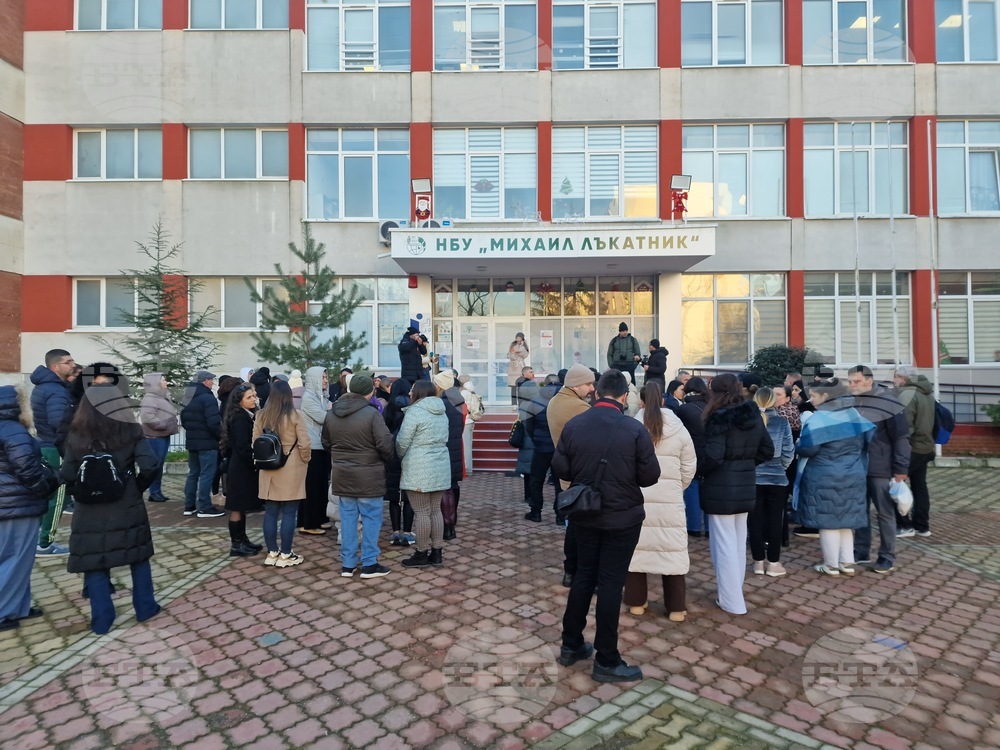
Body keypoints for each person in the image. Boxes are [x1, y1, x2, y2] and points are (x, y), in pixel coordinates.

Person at [552, 369, 659, 683]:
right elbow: (649, 476)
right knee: (611, 584)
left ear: (596, 392)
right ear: (624, 396)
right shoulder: (633, 430)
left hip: (585, 513)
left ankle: (571, 645)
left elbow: (560, 467)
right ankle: (607, 659)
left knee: (584, 575)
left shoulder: (575, 424)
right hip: (622, 518)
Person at [61, 378, 162, 634]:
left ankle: (102, 619)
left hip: (89, 507)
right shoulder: (130, 431)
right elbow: (150, 465)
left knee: (94, 561)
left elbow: (68, 473)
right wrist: (136, 486)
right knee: (137, 555)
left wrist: (81, 492)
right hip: (125, 501)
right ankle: (145, 607)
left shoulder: (76, 434)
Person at [700, 373, 774, 615]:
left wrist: (699, 470)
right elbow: (767, 449)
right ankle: (733, 595)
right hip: (744, 486)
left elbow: (713, 456)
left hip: (720, 487)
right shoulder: (753, 414)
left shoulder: (718, 418)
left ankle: (732, 600)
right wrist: (745, 465)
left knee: (723, 546)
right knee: (737, 543)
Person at [624, 382, 696, 622]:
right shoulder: (679, 429)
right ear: (663, 401)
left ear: (641, 402)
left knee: (636, 550)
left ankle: (636, 602)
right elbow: (689, 466)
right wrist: (676, 487)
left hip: (637, 497)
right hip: (670, 499)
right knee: (672, 551)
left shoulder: (632, 426)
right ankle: (676, 607)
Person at [795, 377, 875, 576]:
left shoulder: (820, 418)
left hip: (824, 475)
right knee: (846, 520)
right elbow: (869, 441)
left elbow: (809, 449)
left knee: (827, 521)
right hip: (854, 473)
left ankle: (830, 565)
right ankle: (847, 562)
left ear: (825, 396)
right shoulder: (854, 414)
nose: (811, 400)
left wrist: (798, 445)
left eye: (813, 396)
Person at [324, 374, 395, 579]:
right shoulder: (372, 415)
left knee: (347, 519)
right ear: (369, 392)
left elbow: (327, 443)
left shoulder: (332, 414)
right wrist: (385, 461)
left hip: (343, 474)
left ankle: (348, 563)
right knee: (371, 518)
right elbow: (385, 444)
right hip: (369, 475)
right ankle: (370, 563)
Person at [0, 385, 59, 632]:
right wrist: (45, 486)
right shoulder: (14, 430)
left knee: (15, 558)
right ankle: (3, 612)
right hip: (17, 503)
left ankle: (18, 607)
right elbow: (27, 468)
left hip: (8, 502)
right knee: (16, 558)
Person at [847, 365, 910, 573]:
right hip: (858, 465)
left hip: (881, 467)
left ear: (869, 380)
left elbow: (900, 437)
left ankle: (886, 556)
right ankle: (861, 551)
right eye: (850, 381)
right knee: (859, 511)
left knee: (885, 513)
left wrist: (901, 468)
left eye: (856, 381)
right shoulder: (853, 402)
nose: (852, 385)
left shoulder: (888, 402)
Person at [546, 364, 596, 587]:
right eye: (589, 384)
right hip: (582, 475)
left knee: (573, 526)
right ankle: (583, 575)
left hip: (565, 472)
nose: (592, 389)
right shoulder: (580, 408)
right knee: (585, 531)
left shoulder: (555, 401)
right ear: (576, 386)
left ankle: (570, 571)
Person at [254, 381, 312, 568]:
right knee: (289, 511)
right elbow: (304, 443)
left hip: (268, 467)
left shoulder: (261, 415)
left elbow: (254, 442)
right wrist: (305, 460)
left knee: (270, 512)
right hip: (292, 466)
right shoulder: (295, 415)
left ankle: (272, 553)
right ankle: (286, 554)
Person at [398, 380, 451, 568]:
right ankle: (437, 552)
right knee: (435, 510)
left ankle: (421, 553)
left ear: (418, 392)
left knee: (421, 512)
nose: (410, 392)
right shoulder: (442, 411)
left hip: (419, 466)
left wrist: (399, 456)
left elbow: (403, 441)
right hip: (440, 464)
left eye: (412, 389)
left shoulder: (415, 412)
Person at [31, 348, 76, 556]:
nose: (73, 365)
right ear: (55, 366)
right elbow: (58, 422)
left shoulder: (46, 386)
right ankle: (45, 542)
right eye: (68, 362)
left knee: (46, 495)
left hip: (46, 445)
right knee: (58, 496)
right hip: (55, 447)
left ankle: (36, 539)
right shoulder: (55, 390)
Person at [749, 387, 795, 577]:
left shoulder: (749, 422)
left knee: (755, 520)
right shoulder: (782, 422)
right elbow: (788, 451)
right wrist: (780, 468)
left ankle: (758, 561)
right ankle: (774, 562)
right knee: (776, 520)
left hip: (753, 477)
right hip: (777, 478)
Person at [219, 382, 264, 557]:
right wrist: (254, 463)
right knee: (237, 507)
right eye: (249, 397)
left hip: (241, 466)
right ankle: (236, 544)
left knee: (242, 506)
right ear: (239, 400)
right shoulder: (240, 418)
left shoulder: (247, 415)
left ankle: (243, 539)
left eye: (254, 396)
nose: (254, 399)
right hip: (240, 468)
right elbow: (243, 446)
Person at [893, 365, 935, 537]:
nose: (893, 381)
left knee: (894, 484)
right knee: (919, 486)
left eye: (895, 377)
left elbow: (904, 426)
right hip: (925, 446)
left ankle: (904, 525)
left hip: (912, 448)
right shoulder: (927, 393)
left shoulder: (907, 395)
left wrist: (896, 447)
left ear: (903, 378)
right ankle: (922, 525)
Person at [180, 370, 225, 518]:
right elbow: (213, 422)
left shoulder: (187, 397)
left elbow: (184, 420)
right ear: (205, 381)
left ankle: (189, 505)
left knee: (193, 473)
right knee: (207, 474)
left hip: (192, 441)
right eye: (211, 380)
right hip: (207, 442)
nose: (212, 383)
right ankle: (204, 507)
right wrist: (221, 435)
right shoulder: (207, 397)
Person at [298, 367, 331, 536]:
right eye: (322, 377)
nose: (325, 380)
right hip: (313, 447)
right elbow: (323, 417)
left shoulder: (322, 396)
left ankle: (320, 517)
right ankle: (309, 523)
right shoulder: (309, 398)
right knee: (312, 486)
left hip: (321, 446)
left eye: (326, 377)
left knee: (320, 485)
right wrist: (332, 410)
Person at [523, 374, 560, 522]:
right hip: (559, 447)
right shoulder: (563, 401)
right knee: (559, 483)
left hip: (540, 446)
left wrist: (536, 439)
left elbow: (529, 425)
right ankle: (560, 515)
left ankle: (536, 511)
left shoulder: (536, 400)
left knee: (536, 480)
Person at [675, 377, 709, 537]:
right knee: (709, 488)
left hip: (691, 452)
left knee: (692, 488)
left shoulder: (684, 409)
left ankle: (694, 527)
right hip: (710, 452)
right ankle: (710, 528)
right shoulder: (712, 406)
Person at [383, 378, 415, 546]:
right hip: (409, 453)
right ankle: (408, 533)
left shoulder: (388, 408)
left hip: (391, 454)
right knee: (409, 496)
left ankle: (395, 532)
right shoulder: (412, 408)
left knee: (394, 496)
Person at [434, 371, 465, 540]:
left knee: (445, 490)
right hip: (454, 448)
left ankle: (447, 526)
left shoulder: (441, 404)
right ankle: (452, 521)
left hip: (442, 450)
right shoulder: (458, 401)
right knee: (453, 485)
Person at [140, 373, 179, 503]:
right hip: (155, 437)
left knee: (159, 465)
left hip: (163, 435)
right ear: (155, 382)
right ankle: (153, 492)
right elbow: (147, 416)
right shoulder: (150, 398)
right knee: (155, 465)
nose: (166, 382)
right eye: (163, 380)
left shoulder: (161, 396)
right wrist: (162, 425)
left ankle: (157, 491)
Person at [459, 375, 483, 475]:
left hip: (465, 421)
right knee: (468, 445)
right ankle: (468, 468)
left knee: (465, 446)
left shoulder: (463, 393)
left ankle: (467, 468)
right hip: (470, 421)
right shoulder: (470, 392)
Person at [507, 333, 530, 403]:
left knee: (520, 386)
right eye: (517, 338)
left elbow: (525, 355)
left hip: (520, 367)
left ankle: (521, 403)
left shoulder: (524, 346)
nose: (518, 339)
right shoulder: (513, 345)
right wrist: (515, 353)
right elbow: (509, 355)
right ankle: (513, 403)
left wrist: (521, 348)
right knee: (513, 387)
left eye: (519, 338)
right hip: (513, 367)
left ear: (522, 339)